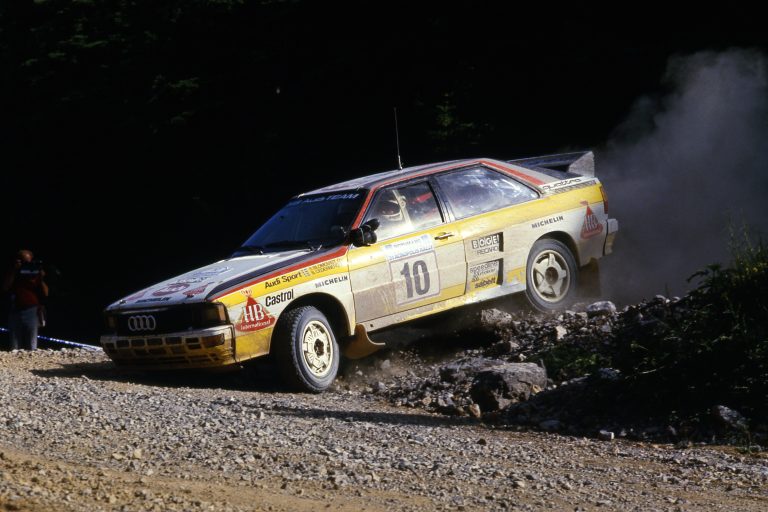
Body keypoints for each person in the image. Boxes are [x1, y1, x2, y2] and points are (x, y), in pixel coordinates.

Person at [2, 250, 48, 350]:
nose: (25, 264)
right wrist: (14, 271)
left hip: (32, 310)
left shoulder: (34, 272)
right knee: (14, 343)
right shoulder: (13, 272)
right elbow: (5, 287)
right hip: (15, 309)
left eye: (27, 262)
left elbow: (45, 293)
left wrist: (41, 278)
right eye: (22, 261)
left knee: (32, 343)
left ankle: (32, 359)